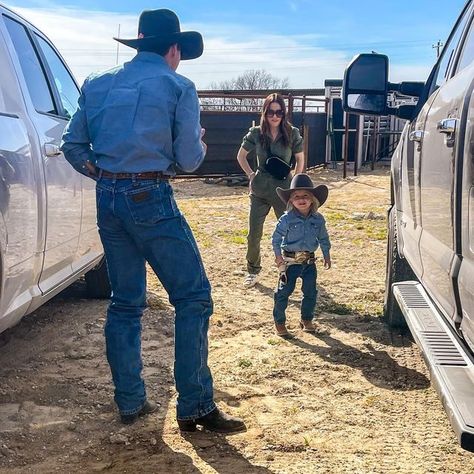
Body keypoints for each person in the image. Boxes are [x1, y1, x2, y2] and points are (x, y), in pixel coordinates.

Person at [61, 9, 245, 433]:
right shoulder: (179, 86)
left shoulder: (97, 81)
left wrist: (103, 174)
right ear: (174, 49)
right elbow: (188, 160)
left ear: (139, 43)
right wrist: (195, 141)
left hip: (108, 197)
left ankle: (130, 401)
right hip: (151, 196)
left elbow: (73, 146)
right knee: (193, 297)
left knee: (125, 302)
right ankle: (195, 405)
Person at [236, 93, 305, 288]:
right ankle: (253, 270)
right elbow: (241, 156)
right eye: (271, 112)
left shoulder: (292, 133)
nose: (275, 116)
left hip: (283, 190)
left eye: (279, 112)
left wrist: (296, 186)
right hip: (260, 190)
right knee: (254, 233)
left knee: (290, 231)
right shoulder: (256, 133)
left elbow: (300, 159)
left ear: (284, 113)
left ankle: (293, 269)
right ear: (265, 113)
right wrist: (250, 175)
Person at [271, 173, 331, 338]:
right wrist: (278, 257)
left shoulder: (318, 219)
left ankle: (306, 319)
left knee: (310, 292)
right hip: (290, 262)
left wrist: (326, 254)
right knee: (284, 291)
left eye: (305, 196)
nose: (301, 199)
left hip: (309, 262)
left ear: (312, 199)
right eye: (296, 196)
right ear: (291, 201)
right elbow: (276, 238)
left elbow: (324, 238)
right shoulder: (286, 219)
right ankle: (279, 321)